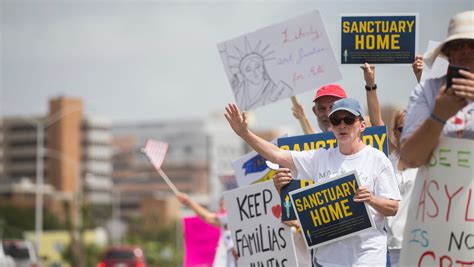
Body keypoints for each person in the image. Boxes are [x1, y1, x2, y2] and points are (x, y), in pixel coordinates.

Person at [225, 98, 401, 266]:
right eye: (336, 120)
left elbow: (392, 207)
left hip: (367, 256)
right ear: (331, 127)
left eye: (348, 119)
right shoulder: (320, 157)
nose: (342, 125)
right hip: (328, 259)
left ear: (362, 125)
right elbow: (277, 154)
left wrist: (371, 199)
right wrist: (244, 133)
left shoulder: (377, 159)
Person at [360, 59, 423, 267]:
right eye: (401, 128)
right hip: (392, 247)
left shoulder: (427, 158)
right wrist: (370, 83)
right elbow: (376, 124)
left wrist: (420, 77)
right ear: (394, 132)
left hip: (423, 243)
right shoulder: (389, 159)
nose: (407, 133)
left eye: (412, 127)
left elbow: (434, 112)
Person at [400, 10, 474, 167]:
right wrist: (438, 116)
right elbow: (410, 159)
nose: (466, 50)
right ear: (448, 53)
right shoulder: (426, 91)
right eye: (458, 45)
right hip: (440, 190)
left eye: (472, 45)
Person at [176, 192, 236, 267]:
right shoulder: (224, 231)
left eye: (224, 205)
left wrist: (189, 202)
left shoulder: (233, 219)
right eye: (220, 205)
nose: (222, 209)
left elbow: (209, 218)